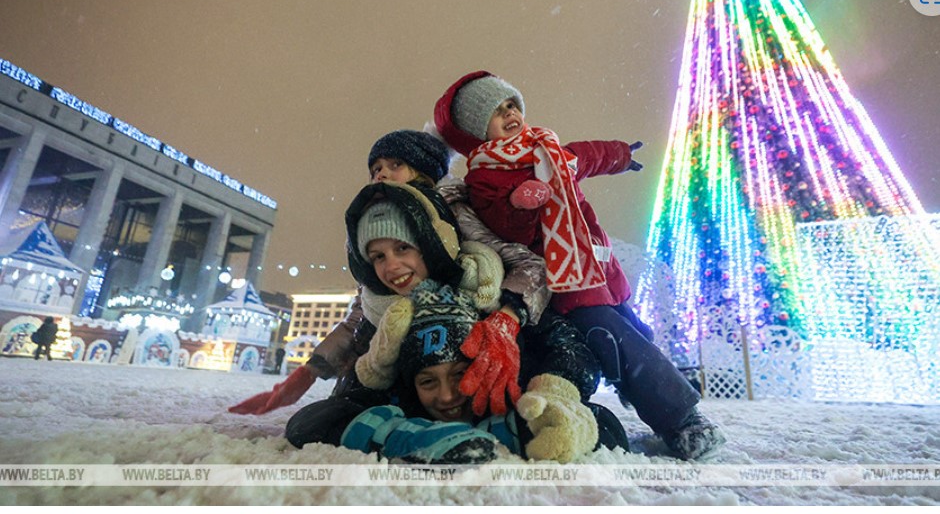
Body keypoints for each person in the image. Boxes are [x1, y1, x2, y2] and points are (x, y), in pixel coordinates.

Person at [434, 70, 726, 460]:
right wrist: (521, 203)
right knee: (613, 337)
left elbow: (585, 156)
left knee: (634, 329)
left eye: (511, 105)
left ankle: (648, 382)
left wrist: (620, 155)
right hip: (563, 277)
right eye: (495, 112)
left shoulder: (545, 148)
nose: (509, 115)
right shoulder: (486, 174)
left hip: (595, 265)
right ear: (477, 129)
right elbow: (503, 223)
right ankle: (681, 420)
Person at [288, 181, 626, 463]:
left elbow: (565, 344)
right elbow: (334, 411)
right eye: (378, 256)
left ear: (431, 244)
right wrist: (404, 432)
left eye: (403, 248)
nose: (391, 268)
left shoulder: (492, 290)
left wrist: (553, 392)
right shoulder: (384, 321)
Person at [230, 130, 553, 417]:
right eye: (375, 169)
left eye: (394, 165)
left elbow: (529, 266)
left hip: (455, 334)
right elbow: (365, 309)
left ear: (423, 171)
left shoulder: (452, 211)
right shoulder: (376, 222)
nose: (381, 174)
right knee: (344, 407)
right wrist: (311, 370)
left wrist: (505, 317)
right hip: (399, 342)